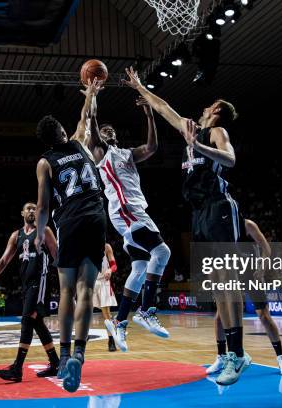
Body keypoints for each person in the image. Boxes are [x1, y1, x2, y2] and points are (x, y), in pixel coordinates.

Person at [123, 67, 249, 386]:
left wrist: (201, 147)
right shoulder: (190, 129)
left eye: (209, 106)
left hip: (220, 207)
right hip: (201, 212)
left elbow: (230, 160)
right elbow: (165, 108)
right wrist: (140, 87)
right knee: (218, 286)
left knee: (227, 283)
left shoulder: (215, 132)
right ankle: (230, 354)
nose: (204, 108)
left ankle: (237, 353)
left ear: (217, 112)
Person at [34, 78, 106, 392]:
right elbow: (86, 118)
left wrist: (39, 235)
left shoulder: (45, 162)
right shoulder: (78, 142)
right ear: (62, 133)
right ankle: (80, 352)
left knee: (66, 291)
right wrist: (90, 93)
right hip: (96, 216)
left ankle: (63, 357)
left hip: (71, 221)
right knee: (87, 290)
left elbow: (43, 206)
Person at [85, 94, 171, 351]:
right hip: (126, 210)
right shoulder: (101, 152)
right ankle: (146, 310)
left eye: (110, 130)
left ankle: (121, 321)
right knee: (162, 251)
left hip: (133, 211)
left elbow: (152, 147)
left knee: (141, 267)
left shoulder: (126, 154)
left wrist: (149, 115)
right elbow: (92, 125)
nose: (107, 131)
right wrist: (93, 97)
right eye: (103, 130)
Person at [0, 202, 60, 381]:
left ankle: (17, 368)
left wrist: (67, 283)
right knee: (37, 323)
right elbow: (4, 260)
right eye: (28, 208)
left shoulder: (44, 231)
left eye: (35, 208)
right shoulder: (16, 236)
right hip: (26, 285)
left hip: (40, 282)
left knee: (27, 319)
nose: (32, 211)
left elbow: (57, 255)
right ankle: (55, 363)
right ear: (22, 213)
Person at [207, 216, 282, 376]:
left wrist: (263, 265)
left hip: (252, 275)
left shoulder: (247, 225)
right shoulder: (220, 230)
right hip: (232, 276)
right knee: (219, 318)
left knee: (264, 317)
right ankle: (221, 357)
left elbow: (266, 248)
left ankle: (281, 357)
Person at [94, 243, 119, 351]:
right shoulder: (85, 245)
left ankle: (111, 340)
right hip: (91, 281)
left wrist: (109, 270)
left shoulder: (106, 247)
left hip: (104, 282)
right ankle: (82, 340)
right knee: (85, 311)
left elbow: (114, 265)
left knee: (106, 314)